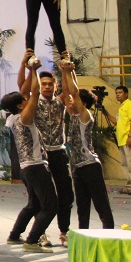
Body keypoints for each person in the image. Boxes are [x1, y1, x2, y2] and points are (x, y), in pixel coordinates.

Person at [1, 55, 57, 254]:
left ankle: (15, 234)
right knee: (51, 205)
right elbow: (35, 94)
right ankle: (32, 240)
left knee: (34, 204)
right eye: (23, 100)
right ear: (19, 105)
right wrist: (32, 69)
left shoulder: (14, 118)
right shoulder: (24, 117)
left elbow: (28, 93)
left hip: (27, 168)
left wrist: (27, 69)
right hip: (35, 166)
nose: (27, 100)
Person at [17, 63, 72, 247]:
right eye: (44, 84)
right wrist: (28, 68)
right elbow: (23, 88)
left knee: (66, 194)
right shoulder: (33, 102)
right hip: (40, 155)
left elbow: (70, 90)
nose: (47, 87)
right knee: (40, 198)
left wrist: (66, 71)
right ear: (39, 86)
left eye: (50, 84)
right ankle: (40, 233)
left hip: (58, 151)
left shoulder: (60, 102)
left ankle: (64, 232)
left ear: (56, 86)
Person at [58, 59, 114, 230]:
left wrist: (69, 72)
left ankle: (109, 232)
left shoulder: (85, 116)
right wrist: (65, 71)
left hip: (90, 166)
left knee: (101, 204)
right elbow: (68, 92)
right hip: (78, 168)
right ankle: (84, 234)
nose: (69, 101)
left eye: (74, 100)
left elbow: (74, 93)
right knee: (82, 207)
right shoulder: (74, 115)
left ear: (83, 104)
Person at [103, 85, 131, 193]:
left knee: (130, 164)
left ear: (126, 94)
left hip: (127, 139)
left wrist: (130, 136)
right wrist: (106, 113)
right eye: (116, 93)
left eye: (120, 93)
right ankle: (129, 186)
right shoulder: (121, 107)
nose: (118, 95)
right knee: (125, 164)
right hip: (121, 140)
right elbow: (116, 122)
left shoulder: (129, 105)